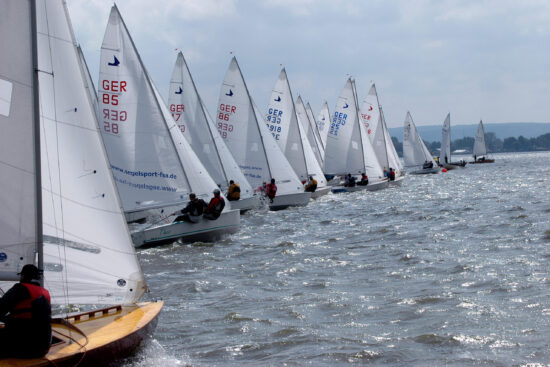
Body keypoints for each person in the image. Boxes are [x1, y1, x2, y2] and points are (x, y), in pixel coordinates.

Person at [0, 264, 51, 358]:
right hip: (43, 348)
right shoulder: (45, 292)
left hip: (23, 347)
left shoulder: (19, 289)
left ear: (23, 276)